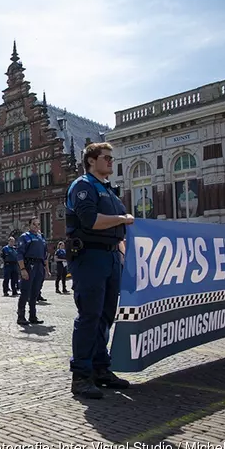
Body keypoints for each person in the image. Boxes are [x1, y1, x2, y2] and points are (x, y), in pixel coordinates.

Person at [66, 142, 133, 399]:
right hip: (90, 256)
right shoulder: (83, 186)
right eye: (107, 158)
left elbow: (119, 231)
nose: (111, 162)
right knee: (89, 316)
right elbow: (90, 221)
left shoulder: (109, 191)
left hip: (111, 256)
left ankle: (100, 368)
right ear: (91, 160)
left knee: (106, 315)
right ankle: (81, 375)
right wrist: (122, 219)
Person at [16, 217, 50, 325]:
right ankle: (21, 316)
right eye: (34, 224)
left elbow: (45, 256)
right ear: (29, 225)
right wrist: (22, 269)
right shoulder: (24, 237)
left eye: (38, 224)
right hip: (29, 265)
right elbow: (19, 254)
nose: (36, 227)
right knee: (25, 291)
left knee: (35, 292)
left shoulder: (41, 237)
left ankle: (33, 316)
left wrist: (47, 270)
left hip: (39, 266)